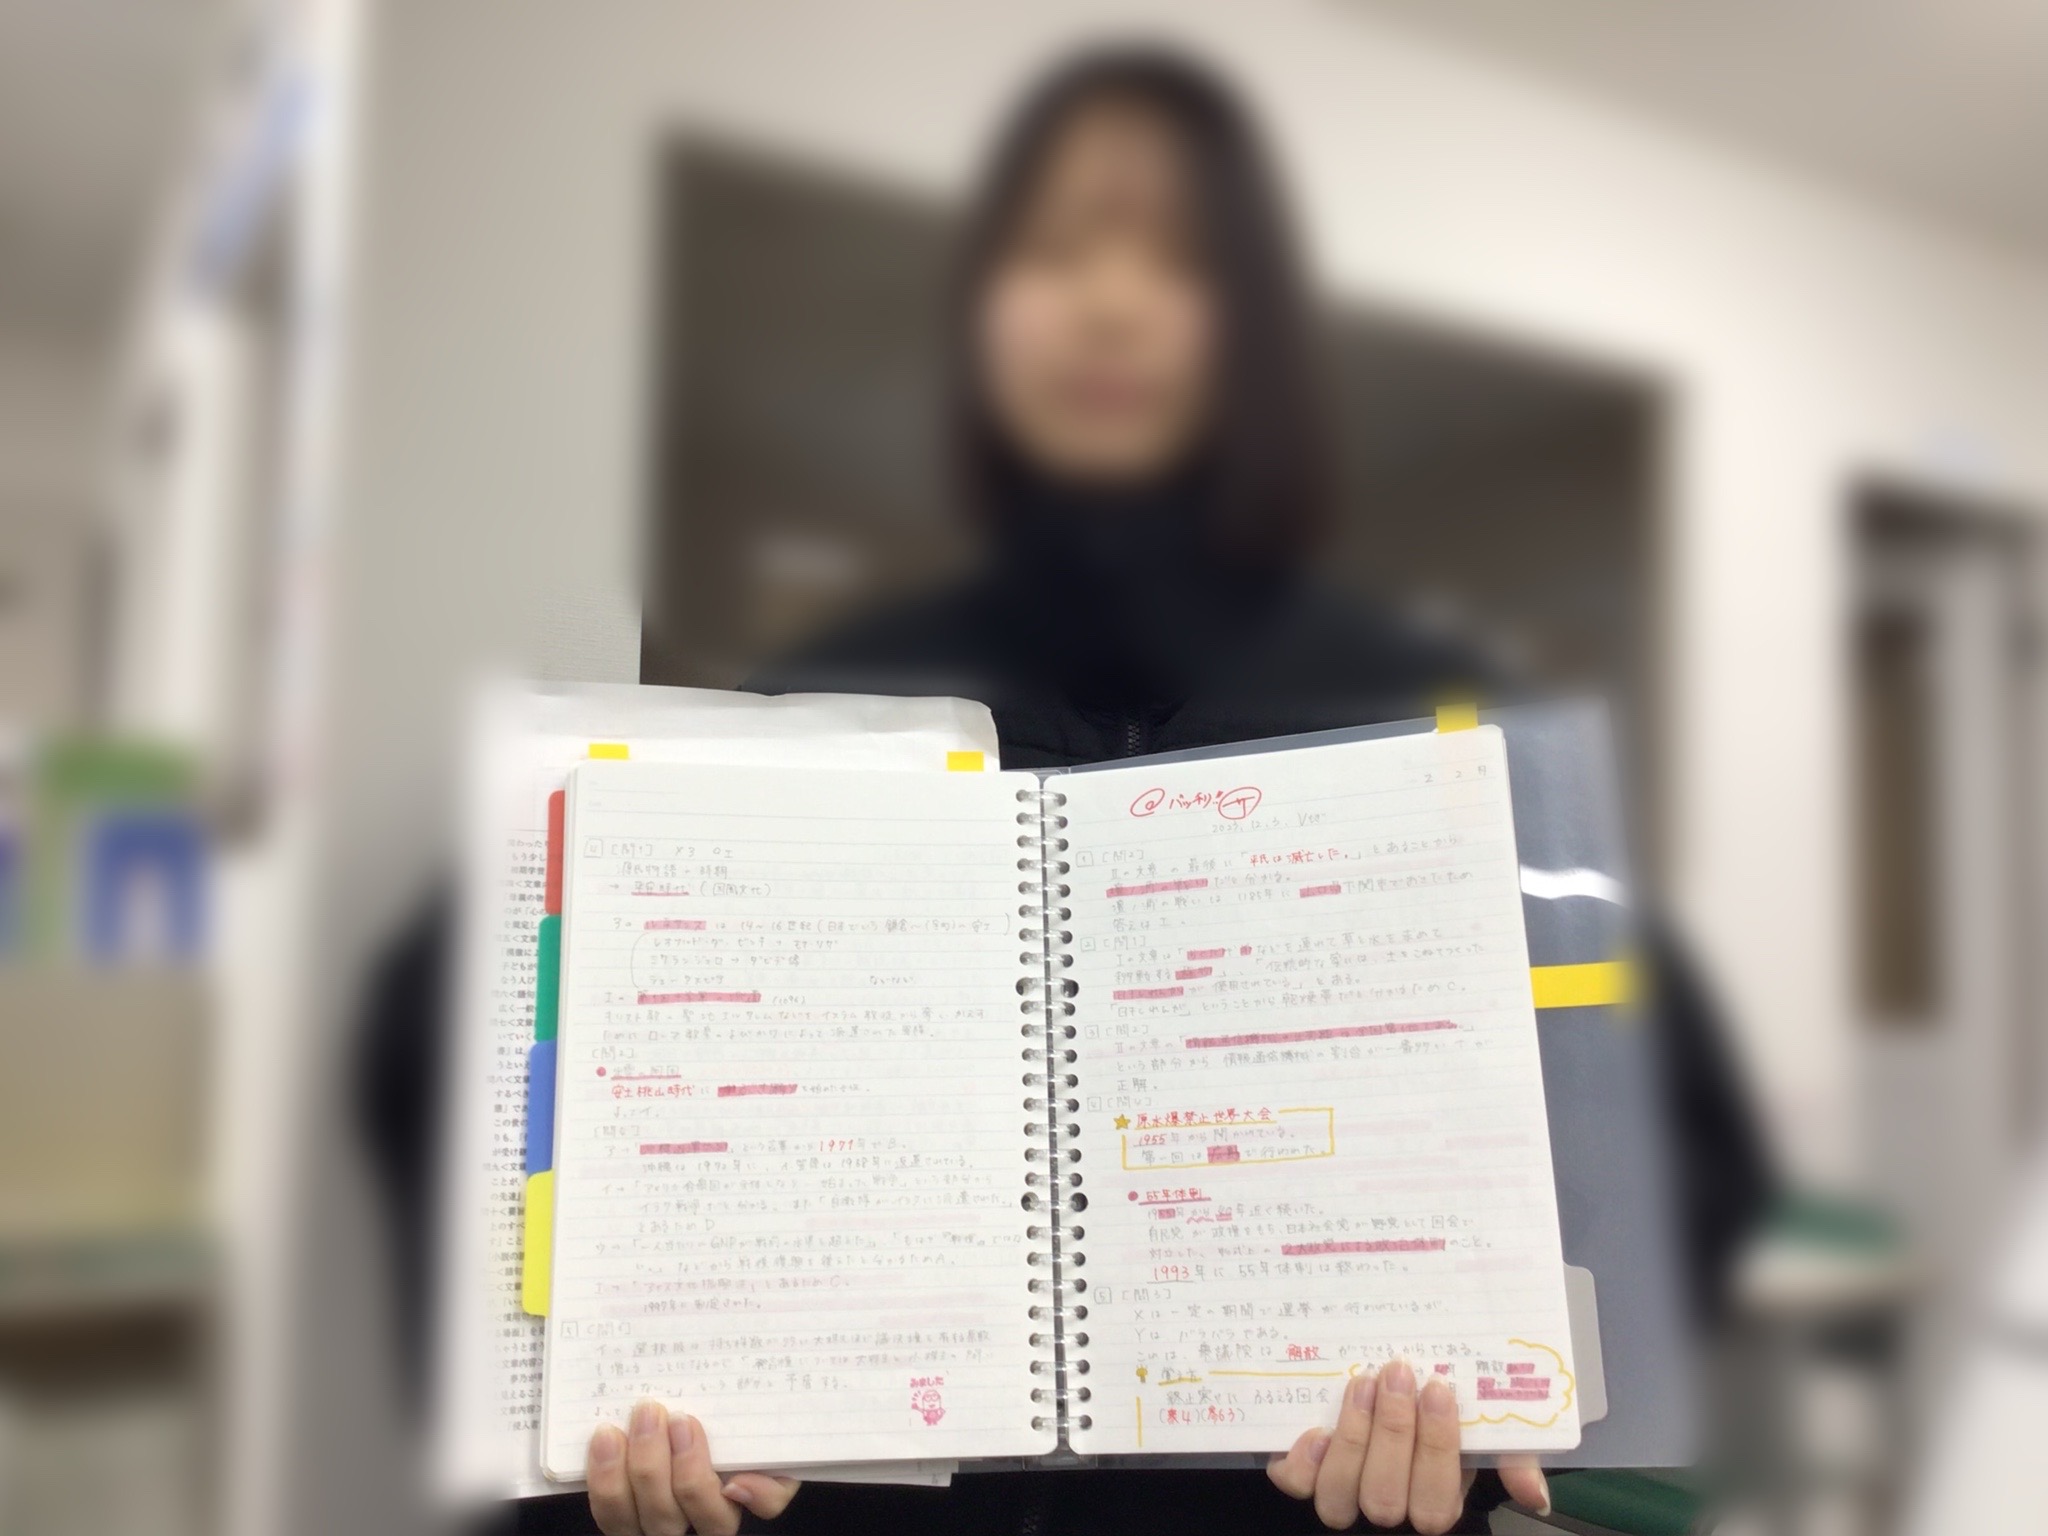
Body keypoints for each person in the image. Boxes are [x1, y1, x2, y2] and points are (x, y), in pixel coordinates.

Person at [356, 42, 1773, 1536]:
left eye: (1182, 257)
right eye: (1054, 250)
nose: (1112, 300)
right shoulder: (824, 712)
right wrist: (640, 1420)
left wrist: (1524, 1388)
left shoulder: (1443, 725)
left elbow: (1680, 1164)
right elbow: (469, 1068)